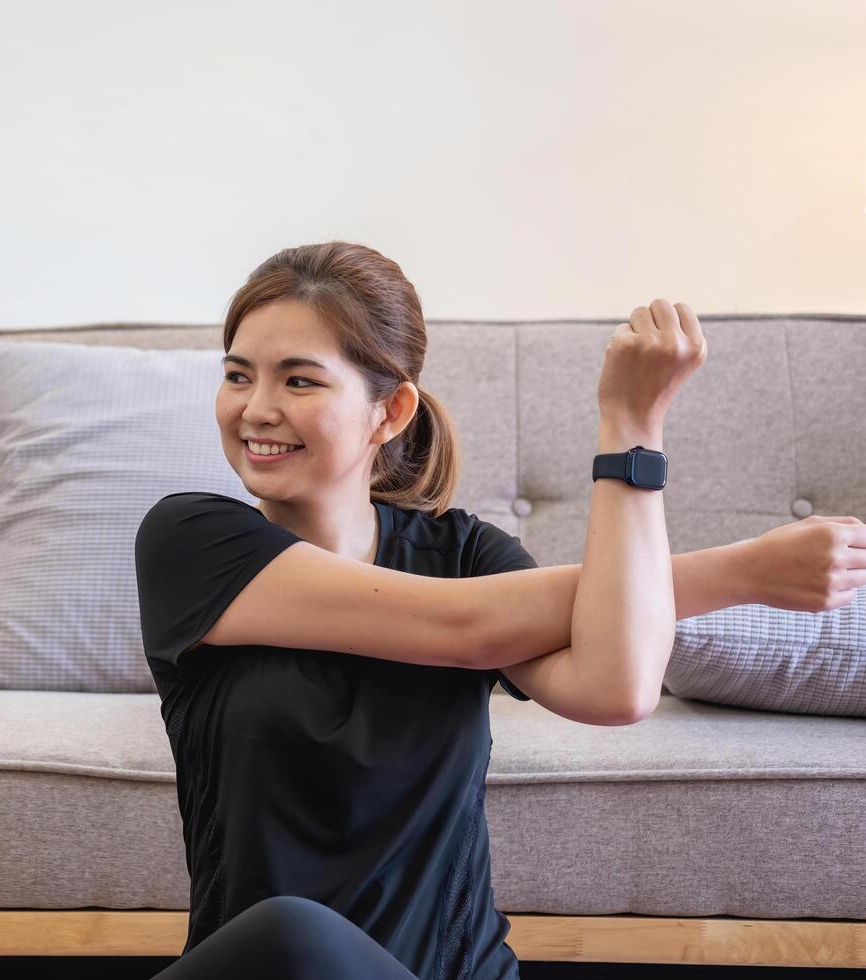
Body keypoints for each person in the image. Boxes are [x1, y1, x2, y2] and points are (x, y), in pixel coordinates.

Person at [133, 240, 711, 980]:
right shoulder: (190, 542)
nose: (256, 409)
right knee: (291, 936)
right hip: (272, 969)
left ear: (390, 410)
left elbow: (616, 686)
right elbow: (461, 624)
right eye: (238, 376)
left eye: (299, 380)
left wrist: (632, 425)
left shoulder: (468, 556)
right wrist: (746, 572)